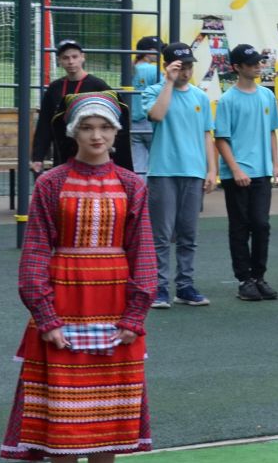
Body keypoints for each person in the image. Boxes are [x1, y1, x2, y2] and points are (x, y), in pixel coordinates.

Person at [3, 93, 154, 463]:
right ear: (73, 131)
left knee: (108, 412)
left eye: (104, 128)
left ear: (115, 133)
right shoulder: (50, 184)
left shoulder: (132, 185)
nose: (96, 135)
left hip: (114, 307)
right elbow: (34, 256)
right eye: (87, 127)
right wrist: (45, 316)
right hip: (65, 304)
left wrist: (135, 313)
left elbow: (143, 252)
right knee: (64, 414)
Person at [137, 41, 217, 310]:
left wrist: (211, 169)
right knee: (161, 235)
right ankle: (159, 287)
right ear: (167, 66)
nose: (186, 71)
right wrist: (168, 83)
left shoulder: (200, 97)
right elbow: (157, 115)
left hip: (193, 172)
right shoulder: (154, 91)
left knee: (188, 234)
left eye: (189, 66)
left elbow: (208, 134)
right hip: (163, 171)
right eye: (180, 66)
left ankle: (185, 286)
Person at [213, 44, 278, 302]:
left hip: (262, 173)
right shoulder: (228, 100)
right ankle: (244, 279)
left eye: (259, 62)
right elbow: (220, 139)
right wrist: (235, 169)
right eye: (252, 63)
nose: (258, 66)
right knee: (240, 227)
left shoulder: (267, 96)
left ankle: (259, 276)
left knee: (261, 225)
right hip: (237, 175)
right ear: (237, 68)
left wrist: (275, 165)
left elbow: (272, 131)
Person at [32, 39, 123, 172]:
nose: (71, 62)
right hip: (62, 151)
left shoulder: (98, 85)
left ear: (82, 57)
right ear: (59, 61)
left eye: (75, 57)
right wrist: (38, 157)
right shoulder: (54, 88)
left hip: (91, 150)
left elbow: (116, 118)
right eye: (65, 58)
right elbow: (45, 124)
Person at [128, 37, 163, 175]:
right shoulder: (154, 70)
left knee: (139, 165)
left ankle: (139, 194)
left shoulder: (130, 69)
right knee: (157, 162)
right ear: (150, 51)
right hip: (150, 122)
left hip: (133, 124)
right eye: (158, 50)